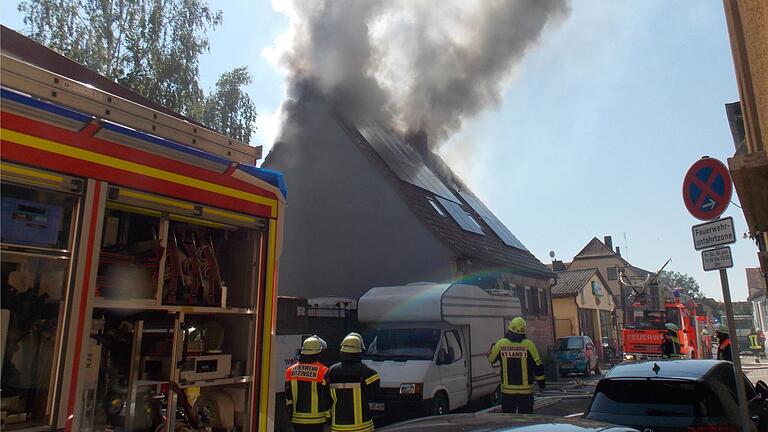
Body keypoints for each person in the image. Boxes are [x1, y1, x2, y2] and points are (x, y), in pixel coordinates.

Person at [487, 317, 545, 414]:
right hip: (526, 392)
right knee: (526, 422)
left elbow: (491, 359)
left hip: (507, 392)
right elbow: (538, 366)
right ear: (523, 330)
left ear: (510, 327)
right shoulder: (529, 345)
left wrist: (489, 354)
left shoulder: (501, 343)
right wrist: (541, 385)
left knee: (509, 421)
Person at [327, 333, 380, 432]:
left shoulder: (331, 371)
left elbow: (325, 397)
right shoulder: (368, 372)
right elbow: (373, 394)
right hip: (362, 426)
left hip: (338, 426)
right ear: (358, 352)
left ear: (342, 352)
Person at [285, 335, 331, 432]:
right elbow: (325, 396)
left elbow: (288, 397)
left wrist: (291, 413)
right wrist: (329, 415)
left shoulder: (290, 370)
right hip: (317, 419)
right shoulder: (323, 371)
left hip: (297, 419)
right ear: (318, 353)